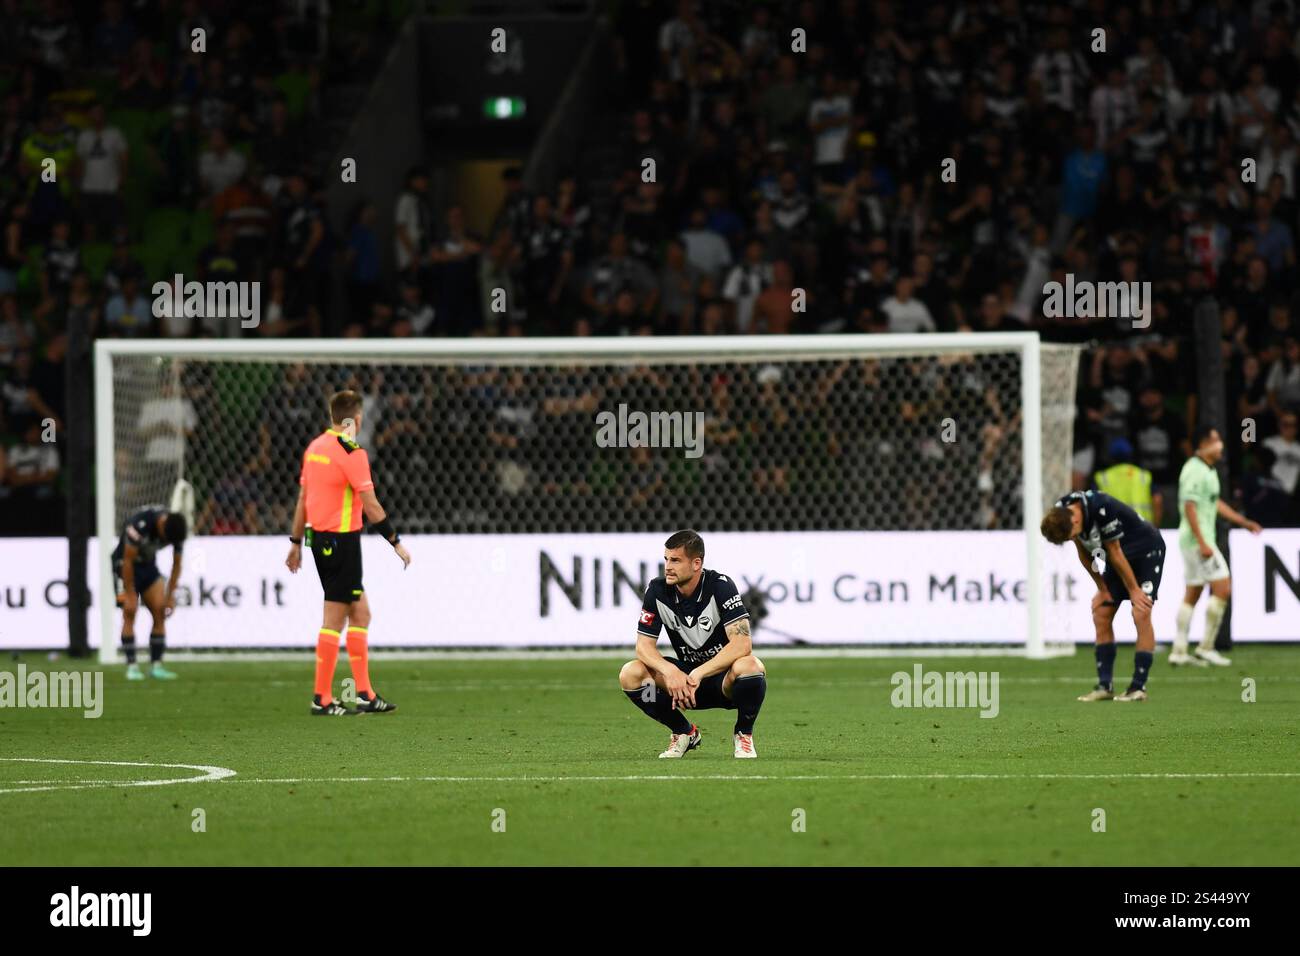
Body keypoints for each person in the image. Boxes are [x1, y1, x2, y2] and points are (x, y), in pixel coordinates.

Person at [286, 390, 410, 716]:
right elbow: (371, 505)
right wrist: (395, 541)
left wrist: (295, 542)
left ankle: (365, 694)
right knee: (334, 620)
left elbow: (302, 500)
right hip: (342, 542)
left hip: (319, 541)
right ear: (353, 419)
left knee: (361, 614)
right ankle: (322, 698)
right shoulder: (351, 451)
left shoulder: (314, 449)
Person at [617, 529, 767, 757]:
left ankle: (743, 734)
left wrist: (698, 674)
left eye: (675, 560)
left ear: (696, 563)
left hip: (722, 680)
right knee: (631, 674)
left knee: (751, 666)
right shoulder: (657, 591)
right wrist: (670, 672)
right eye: (666, 559)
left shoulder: (721, 586)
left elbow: (742, 644)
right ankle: (684, 731)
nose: (668, 566)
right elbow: (643, 647)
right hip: (682, 686)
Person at [1040, 490, 1166, 702]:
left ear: (1076, 519)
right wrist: (1102, 588)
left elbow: (1115, 551)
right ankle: (1104, 686)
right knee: (1101, 611)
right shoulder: (1063, 511)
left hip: (1146, 551)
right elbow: (1084, 552)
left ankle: (1138, 687)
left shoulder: (1101, 507)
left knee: (1140, 612)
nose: (1073, 538)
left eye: (1072, 534)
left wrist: (1134, 590)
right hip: (1117, 557)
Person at [1170, 426, 1262, 666]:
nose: (1221, 445)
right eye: (1217, 441)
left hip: (1194, 541)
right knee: (1222, 588)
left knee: (1193, 593)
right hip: (1198, 541)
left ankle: (1179, 651)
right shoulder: (1194, 470)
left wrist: (1243, 521)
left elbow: (1215, 503)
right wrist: (1202, 542)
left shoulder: (1208, 471)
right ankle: (1206, 647)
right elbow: (1189, 506)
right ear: (1204, 444)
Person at [111, 507, 188, 680]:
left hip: (147, 566)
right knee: (130, 611)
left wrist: (170, 596)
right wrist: (129, 592)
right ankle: (132, 666)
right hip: (124, 567)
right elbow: (128, 560)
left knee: (160, 611)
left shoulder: (176, 530)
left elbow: (177, 565)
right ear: (161, 525)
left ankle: (156, 666)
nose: (165, 542)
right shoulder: (140, 525)